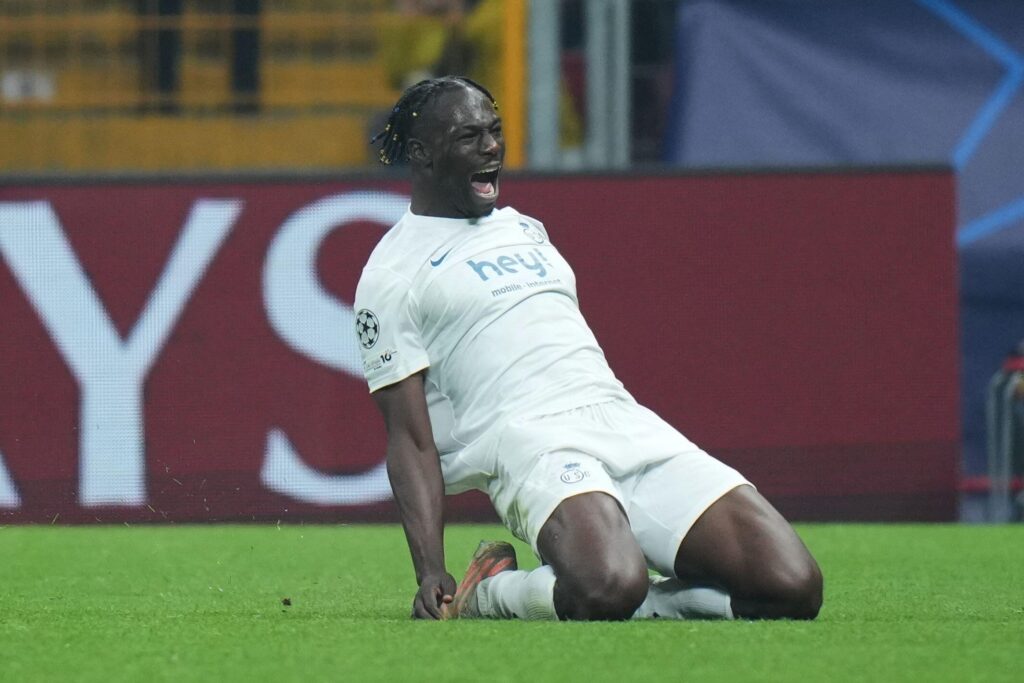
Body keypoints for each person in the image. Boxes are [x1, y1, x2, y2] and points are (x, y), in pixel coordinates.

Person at [355, 76, 823, 621]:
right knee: (607, 586)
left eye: (495, 130)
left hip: (624, 421)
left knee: (792, 586)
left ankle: (636, 591)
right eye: (469, 136)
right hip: (533, 444)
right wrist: (430, 569)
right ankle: (489, 593)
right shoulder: (391, 275)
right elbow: (409, 440)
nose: (491, 146)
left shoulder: (527, 229)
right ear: (421, 154)